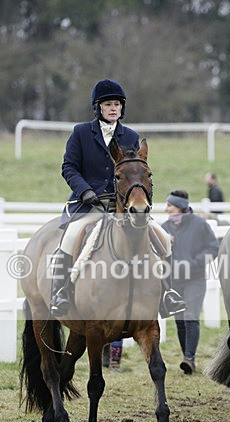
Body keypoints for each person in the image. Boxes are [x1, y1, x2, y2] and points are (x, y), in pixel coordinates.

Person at [49, 79, 185, 318]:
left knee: (162, 237)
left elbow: (136, 171)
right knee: (70, 237)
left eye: (117, 104)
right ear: (98, 108)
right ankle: (60, 292)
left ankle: (168, 293)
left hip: (124, 206)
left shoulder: (130, 135)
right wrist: (85, 191)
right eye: (108, 104)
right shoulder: (81, 132)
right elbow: (69, 167)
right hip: (89, 203)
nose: (113, 108)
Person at [161, 190, 219, 374]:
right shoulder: (164, 228)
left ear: (179, 206)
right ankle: (187, 358)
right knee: (179, 321)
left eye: (169, 205)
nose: (166, 209)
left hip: (195, 279)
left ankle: (189, 358)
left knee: (190, 317)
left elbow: (213, 248)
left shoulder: (200, 224)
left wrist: (194, 263)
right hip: (174, 281)